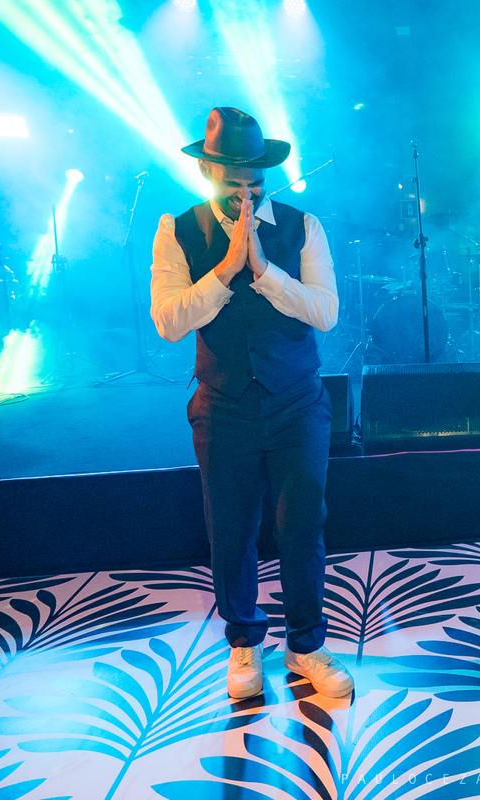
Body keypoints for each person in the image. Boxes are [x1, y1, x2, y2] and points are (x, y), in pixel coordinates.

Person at [149, 107, 353, 700]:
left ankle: (306, 645)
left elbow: (326, 312)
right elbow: (169, 321)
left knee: (302, 526)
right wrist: (226, 270)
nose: (245, 191)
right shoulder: (177, 229)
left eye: (255, 178)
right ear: (207, 170)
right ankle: (244, 642)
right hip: (223, 404)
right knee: (231, 531)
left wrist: (263, 270)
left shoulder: (302, 225)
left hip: (298, 402)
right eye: (232, 178)